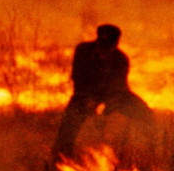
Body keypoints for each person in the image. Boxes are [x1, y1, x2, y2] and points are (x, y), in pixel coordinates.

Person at [51, 24, 155, 163]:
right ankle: (60, 158)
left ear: (115, 45)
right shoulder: (83, 51)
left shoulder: (121, 59)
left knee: (144, 113)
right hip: (84, 94)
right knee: (70, 122)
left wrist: (108, 107)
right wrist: (89, 100)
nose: (104, 51)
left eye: (108, 47)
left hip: (113, 96)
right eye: (102, 46)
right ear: (97, 41)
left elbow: (120, 87)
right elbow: (77, 77)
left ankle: (151, 153)